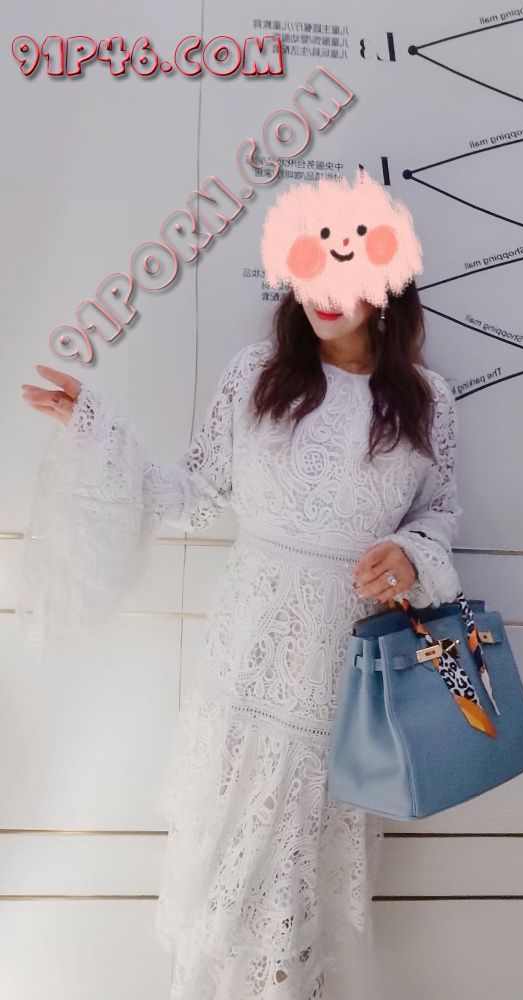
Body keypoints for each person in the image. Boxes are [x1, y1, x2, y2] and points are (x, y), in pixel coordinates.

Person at [18, 173, 464, 1000]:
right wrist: (98, 431)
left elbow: (441, 515)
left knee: (294, 886)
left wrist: (409, 554)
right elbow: (190, 496)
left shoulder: (426, 402)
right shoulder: (258, 374)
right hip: (245, 659)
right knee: (224, 877)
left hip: (341, 677)